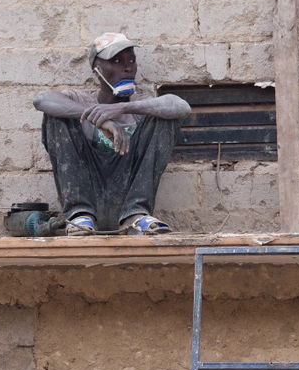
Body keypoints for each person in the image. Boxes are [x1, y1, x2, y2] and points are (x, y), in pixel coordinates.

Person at [33, 33, 192, 235]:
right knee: (56, 115)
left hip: (127, 201)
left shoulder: (141, 106)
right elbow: (42, 100)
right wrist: (98, 118)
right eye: (116, 62)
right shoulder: (79, 99)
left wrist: (122, 109)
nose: (127, 68)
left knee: (164, 114)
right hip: (88, 200)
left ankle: (136, 216)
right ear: (97, 70)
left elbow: (181, 106)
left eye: (131, 61)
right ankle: (79, 214)